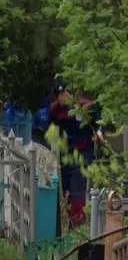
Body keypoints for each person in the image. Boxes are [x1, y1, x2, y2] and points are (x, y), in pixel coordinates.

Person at [50, 79, 103, 228]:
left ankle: (77, 226)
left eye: (63, 93)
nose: (62, 97)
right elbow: (51, 125)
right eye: (58, 95)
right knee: (63, 190)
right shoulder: (56, 110)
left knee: (78, 192)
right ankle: (64, 226)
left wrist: (99, 132)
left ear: (69, 92)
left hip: (83, 153)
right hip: (66, 155)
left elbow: (99, 121)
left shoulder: (84, 106)